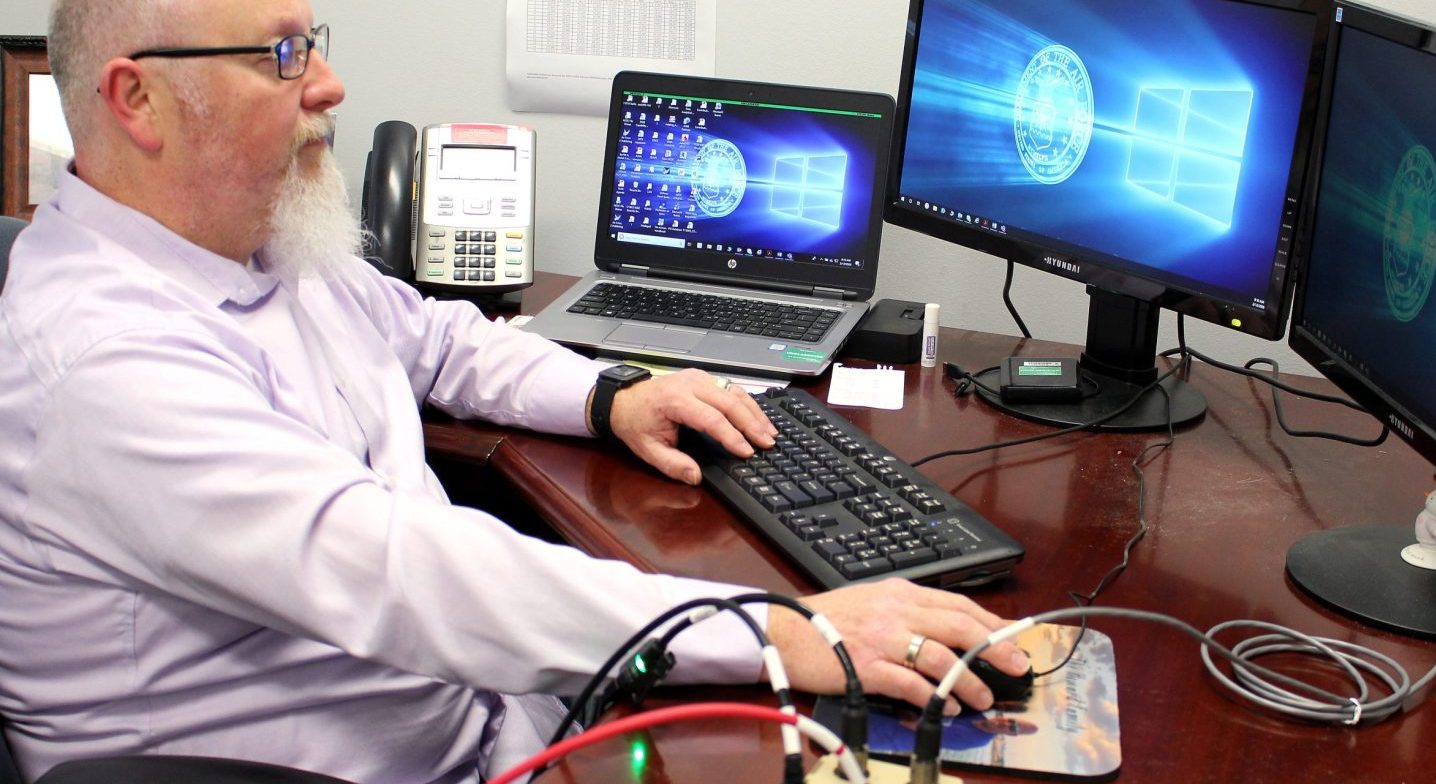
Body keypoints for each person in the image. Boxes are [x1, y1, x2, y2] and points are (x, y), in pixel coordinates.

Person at [0, 1, 1030, 781]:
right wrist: (781, 628)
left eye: (314, 39)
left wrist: (608, 398)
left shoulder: (257, 247)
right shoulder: (98, 359)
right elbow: (399, 570)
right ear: (137, 100)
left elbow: (444, 340)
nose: (327, 84)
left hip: (490, 718)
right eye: (281, 56)